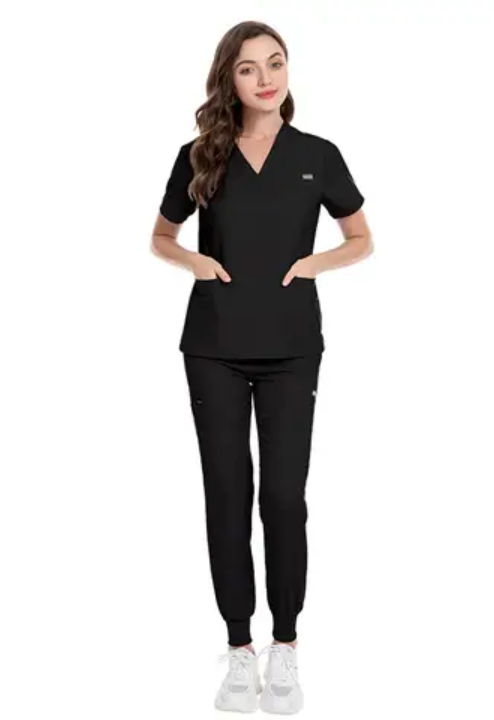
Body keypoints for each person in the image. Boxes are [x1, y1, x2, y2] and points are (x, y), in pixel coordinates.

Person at [151, 21, 372, 714]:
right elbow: (161, 237)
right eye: (249, 68)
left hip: (291, 347)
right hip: (212, 345)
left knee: (282, 497)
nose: (265, 78)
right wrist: (194, 260)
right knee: (226, 494)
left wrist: (313, 263)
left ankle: (287, 644)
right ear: (230, 78)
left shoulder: (318, 155)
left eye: (275, 63)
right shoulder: (200, 154)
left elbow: (361, 238)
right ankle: (239, 649)